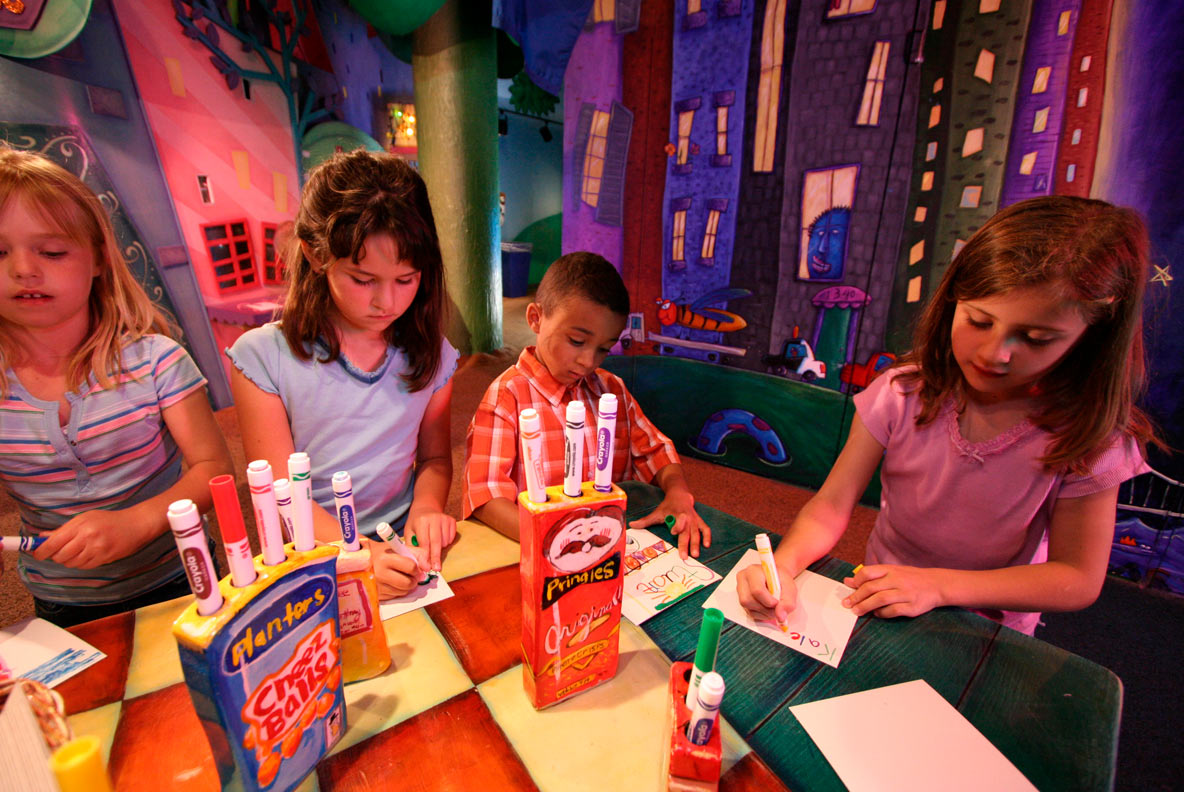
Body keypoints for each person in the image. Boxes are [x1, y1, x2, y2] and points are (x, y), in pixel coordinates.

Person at [738, 196, 1156, 635]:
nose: (995, 354)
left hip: (986, 630)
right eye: (979, 321)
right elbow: (831, 505)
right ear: (953, 301)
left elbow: (1076, 578)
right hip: (879, 604)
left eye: (1035, 338)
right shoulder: (900, 393)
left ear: (1091, 337)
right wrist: (781, 566)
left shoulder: (1091, 438)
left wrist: (938, 587)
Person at [0, 146, 233, 627]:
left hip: (181, 576)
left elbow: (214, 470)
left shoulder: (158, 361)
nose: (23, 269)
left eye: (52, 251)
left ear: (99, 258)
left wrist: (138, 522)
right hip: (61, 598)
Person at [228, 149, 457, 597]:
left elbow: (434, 460)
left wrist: (427, 508)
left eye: (406, 279)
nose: (385, 303)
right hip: (312, 556)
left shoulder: (433, 355)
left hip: (401, 546)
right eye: (363, 278)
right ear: (315, 256)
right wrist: (351, 552)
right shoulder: (263, 360)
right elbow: (280, 495)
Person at [464, 251, 712, 556]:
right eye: (577, 342)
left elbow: (656, 449)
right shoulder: (506, 398)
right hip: (537, 550)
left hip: (608, 543)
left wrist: (678, 492)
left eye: (603, 349)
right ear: (535, 319)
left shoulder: (612, 389)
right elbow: (486, 495)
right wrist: (550, 540)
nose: (587, 361)